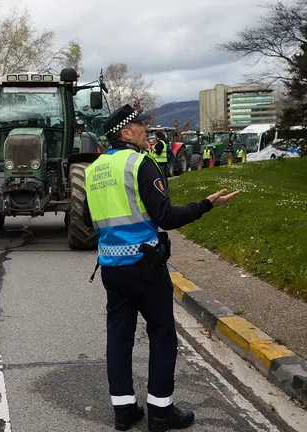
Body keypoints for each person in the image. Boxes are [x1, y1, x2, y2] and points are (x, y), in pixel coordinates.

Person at [83, 103, 240, 430]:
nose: (145, 130)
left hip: (111, 266)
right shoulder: (141, 163)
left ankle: (124, 411)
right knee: (163, 333)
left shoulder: (94, 168)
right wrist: (206, 205)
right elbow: (165, 217)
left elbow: (87, 219)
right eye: (140, 126)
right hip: (145, 266)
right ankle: (160, 410)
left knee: (119, 336)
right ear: (126, 133)